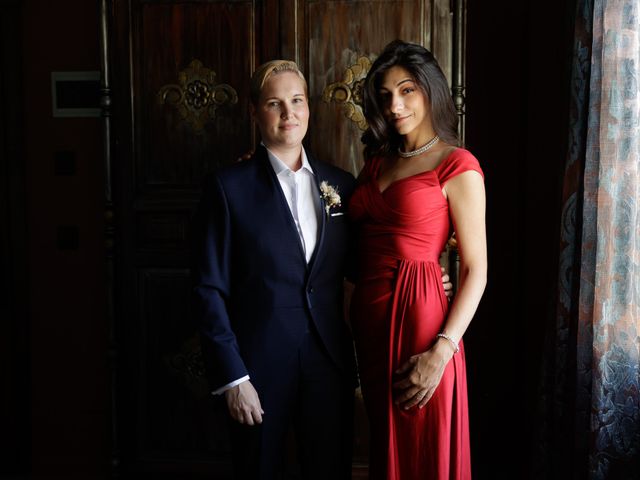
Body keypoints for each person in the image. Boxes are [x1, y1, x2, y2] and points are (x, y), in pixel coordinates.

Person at [192, 58, 454, 479]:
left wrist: (424, 269)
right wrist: (233, 378)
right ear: (255, 110)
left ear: (309, 108)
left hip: (328, 366)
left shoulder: (342, 184)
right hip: (256, 369)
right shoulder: (228, 187)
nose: (288, 113)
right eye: (274, 103)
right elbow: (208, 288)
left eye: (296, 100)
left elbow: (363, 262)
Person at [348, 40, 487, 480]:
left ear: (430, 90)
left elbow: (477, 268)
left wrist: (442, 351)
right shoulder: (376, 164)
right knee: (386, 448)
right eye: (386, 94)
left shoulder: (457, 165)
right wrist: (262, 166)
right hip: (370, 324)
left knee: (421, 448)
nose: (395, 105)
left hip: (422, 325)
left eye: (407, 90)